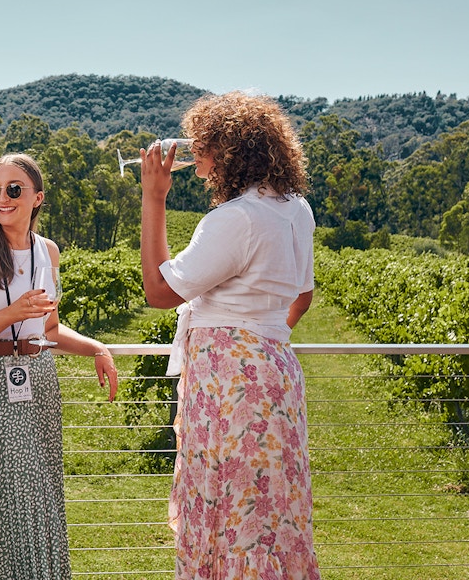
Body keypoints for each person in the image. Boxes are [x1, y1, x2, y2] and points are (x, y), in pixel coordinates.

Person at [139, 92, 321, 580]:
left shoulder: (235, 218)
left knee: (229, 507)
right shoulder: (296, 209)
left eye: (204, 144)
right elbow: (302, 297)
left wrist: (153, 198)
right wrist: (260, 340)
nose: (195, 153)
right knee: (269, 511)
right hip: (276, 373)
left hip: (228, 386)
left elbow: (159, 291)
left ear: (232, 149)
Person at [0, 153, 119, 580]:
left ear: (37, 197)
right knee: (7, 502)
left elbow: (51, 329)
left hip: (38, 381)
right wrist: (10, 313)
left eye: (14, 189)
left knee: (41, 497)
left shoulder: (48, 252)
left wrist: (97, 347)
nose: (2, 198)